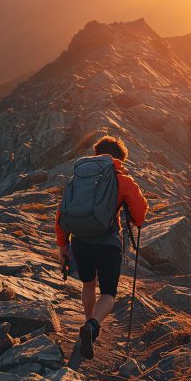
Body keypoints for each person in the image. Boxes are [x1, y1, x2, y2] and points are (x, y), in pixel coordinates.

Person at [55, 135, 149, 359]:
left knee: (88, 284)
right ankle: (93, 326)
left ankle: (88, 323)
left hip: (79, 242)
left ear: (96, 156)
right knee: (108, 293)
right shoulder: (122, 180)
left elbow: (61, 214)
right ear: (119, 160)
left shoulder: (77, 179)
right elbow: (140, 216)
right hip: (108, 244)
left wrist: (63, 246)